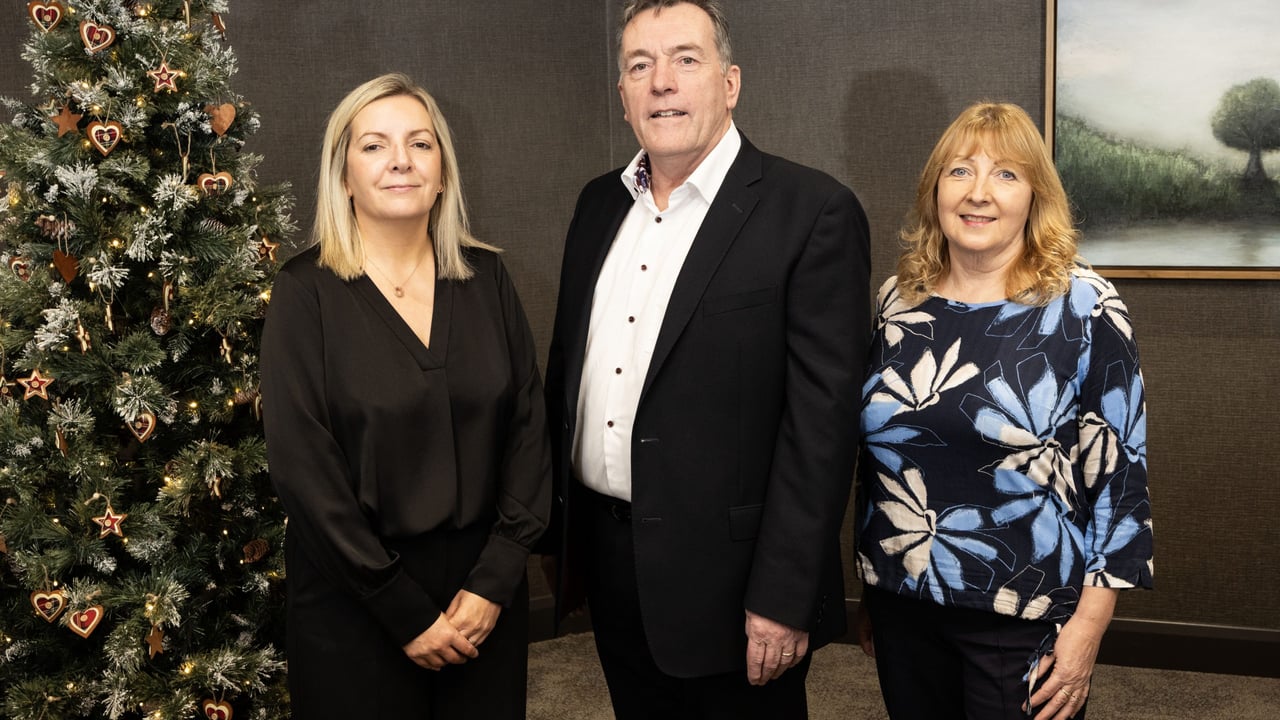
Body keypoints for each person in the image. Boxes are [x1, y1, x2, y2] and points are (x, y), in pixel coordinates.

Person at [543, 2, 871, 718]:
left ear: (730, 83)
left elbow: (823, 429)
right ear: (623, 94)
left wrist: (784, 596)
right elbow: (568, 372)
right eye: (639, 65)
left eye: (685, 59)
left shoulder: (811, 211)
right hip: (609, 556)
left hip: (738, 580)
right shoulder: (598, 205)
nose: (661, 82)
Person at [260, 73, 551, 719]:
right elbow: (304, 469)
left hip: (483, 596)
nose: (400, 160)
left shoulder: (488, 278)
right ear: (343, 176)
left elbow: (529, 429)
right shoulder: (304, 293)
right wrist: (400, 607)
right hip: (354, 596)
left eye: (420, 144)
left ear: (442, 172)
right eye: (374, 146)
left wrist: (496, 579)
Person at [854, 101, 1153, 720]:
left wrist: (1089, 629)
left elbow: (1121, 481)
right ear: (935, 189)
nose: (979, 193)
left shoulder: (1085, 307)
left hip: (1026, 613)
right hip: (903, 603)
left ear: (1036, 196)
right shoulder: (897, 302)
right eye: (960, 171)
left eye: (1006, 175)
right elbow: (874, 460)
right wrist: (870, 584)